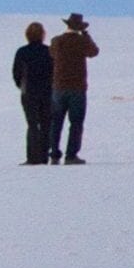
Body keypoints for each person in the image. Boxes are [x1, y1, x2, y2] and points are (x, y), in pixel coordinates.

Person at [43, 13, 98, 162]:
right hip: (77, 87)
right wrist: (86, 35)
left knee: (56, 122)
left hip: (59, 87)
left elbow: (52, 54)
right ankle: (71, 155)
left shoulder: (56, 41)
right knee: (76, 122)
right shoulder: (81, 41)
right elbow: (94, 52)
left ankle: (54, 153)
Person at [11, 22, 59, 165]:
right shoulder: (49, 51)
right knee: (46, 124)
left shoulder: (22, 52)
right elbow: (55, 71)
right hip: (47, 92)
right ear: (43, 35)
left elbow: (16, 73)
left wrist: (21, 86)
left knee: (32, 124)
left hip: (29, 93)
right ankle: (44, 155)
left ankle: (32, 157)